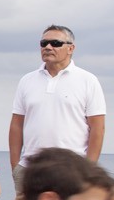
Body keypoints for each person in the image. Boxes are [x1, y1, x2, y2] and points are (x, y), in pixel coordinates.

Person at [9, 24, 107, 187]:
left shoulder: (88, 81)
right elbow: (16, 125)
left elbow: (97, 128)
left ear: (71, 48)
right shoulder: (27, 81)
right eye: (44, 43)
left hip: (72, 171)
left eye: (55, 43)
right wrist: (15, 166)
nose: (48, 47)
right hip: (30, 170)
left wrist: (89, 171)